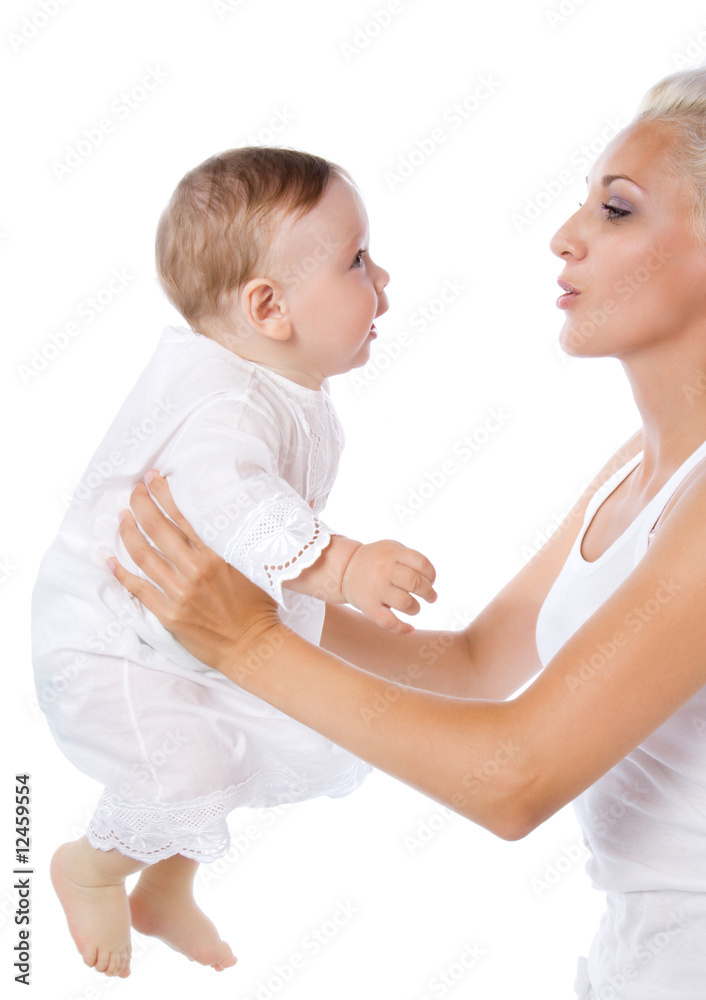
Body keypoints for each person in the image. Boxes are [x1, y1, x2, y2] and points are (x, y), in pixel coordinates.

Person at [111, 67, 706, 1000]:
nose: (566, 236)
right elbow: (470, 666)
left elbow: (514, 776)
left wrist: (246, 640)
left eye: (618, 212)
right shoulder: (639, 470)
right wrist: (222, 598)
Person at [30, 147, 438, 979]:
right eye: (357, 260)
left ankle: (167, 888)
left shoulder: (275, 385)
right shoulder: (228, 400)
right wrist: (344, 565)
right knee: (193, 762)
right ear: (269, 307)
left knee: (245, 745)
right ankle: (90, 866)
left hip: (172, 631)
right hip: (106, 644)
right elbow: (227, 498)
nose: (382, 277)